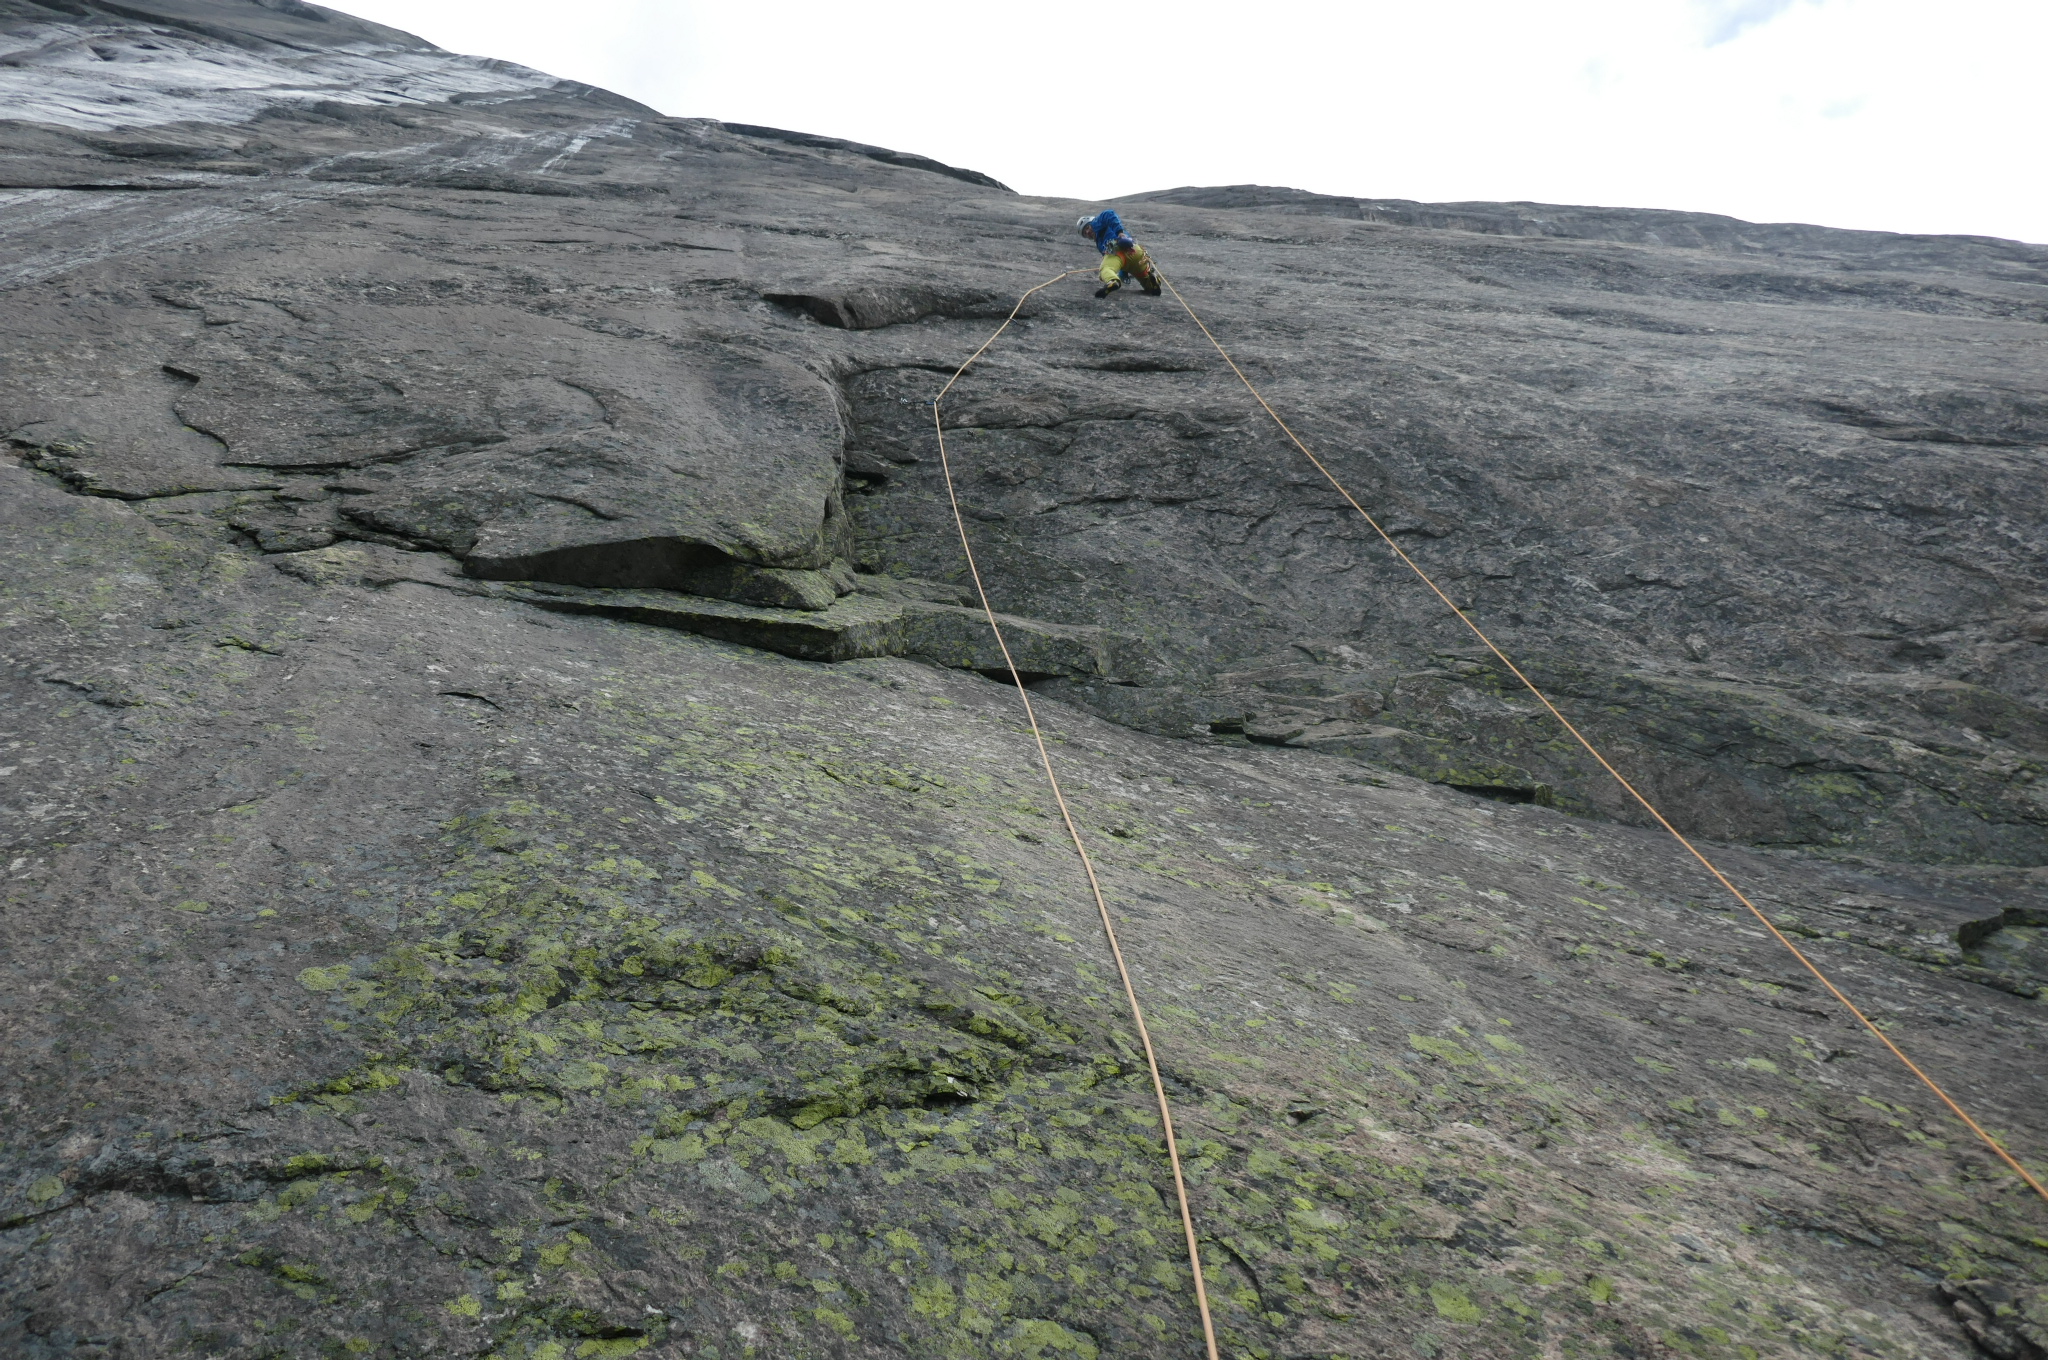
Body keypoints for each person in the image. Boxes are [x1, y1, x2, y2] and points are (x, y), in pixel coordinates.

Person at [1076, 209, 1162, 298]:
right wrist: (1123, 273)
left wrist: (1119, 232)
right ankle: (1153, 282)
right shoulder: (1099, 242)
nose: (1087, 232)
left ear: (1091, 222)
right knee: (1147, 285)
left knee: (1105, 269)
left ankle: (1113, 281)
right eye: (1084, 234)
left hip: (1117, 250)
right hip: (1136, 252)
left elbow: (1109, 214)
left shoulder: (1096, 223)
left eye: (1086, 228)